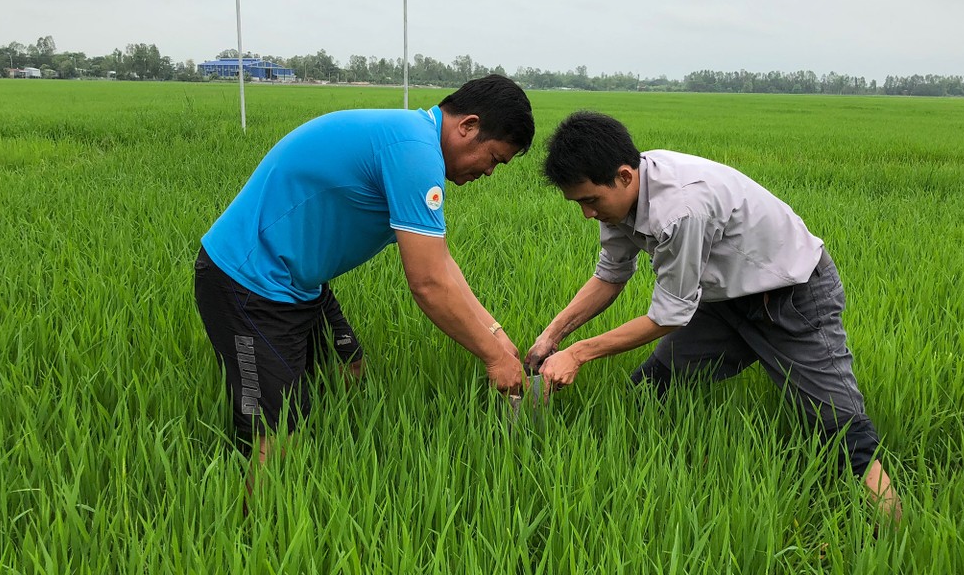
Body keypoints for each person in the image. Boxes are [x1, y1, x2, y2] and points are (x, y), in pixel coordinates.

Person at [526, 111, 901, 524]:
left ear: (624, 175)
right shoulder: (621, 200)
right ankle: (653, 472)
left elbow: (669, 314)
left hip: (792, 298)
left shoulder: (680, 208)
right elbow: (611, 275)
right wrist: (550, 338)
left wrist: (578, 354)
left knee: (839, 429)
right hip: (723, 301)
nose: (587, 214)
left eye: (590, 201)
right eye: (578, 202)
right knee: (652, 388)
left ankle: (900, 532)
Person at [195, 74, 534, 471]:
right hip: (249, 283)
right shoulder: (414, 151)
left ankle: (344, 457)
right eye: (493, 158)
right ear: (469, 126)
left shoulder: (414, 140)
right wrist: (495, 360)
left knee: (348, 368)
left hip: (300, 281)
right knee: (279, 433)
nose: (490, 172)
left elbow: (440, 263)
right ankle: (255, 526)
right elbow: (427, 284)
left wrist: (494, 331)